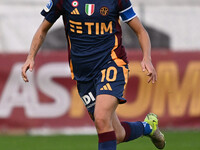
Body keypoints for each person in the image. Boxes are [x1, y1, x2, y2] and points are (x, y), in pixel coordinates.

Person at [21, 0, 165, 149]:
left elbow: (140, 31)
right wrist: (30, 57)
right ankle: (148, 127)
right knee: (116, 134)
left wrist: (146, 58)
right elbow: (42, 30)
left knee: (101, 118)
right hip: (83, 74)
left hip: (112, 64)